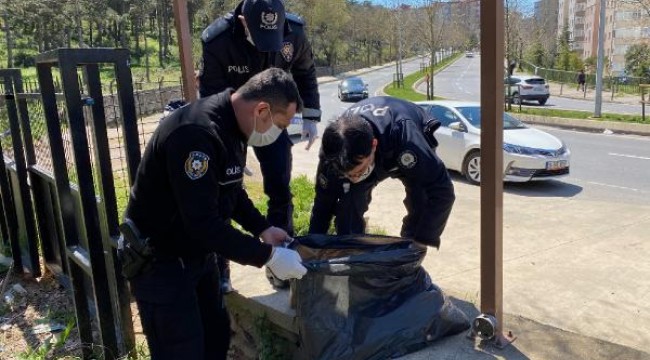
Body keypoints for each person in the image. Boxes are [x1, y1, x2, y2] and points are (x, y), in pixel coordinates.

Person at [121, 68, 308, 360]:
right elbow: (202, 223)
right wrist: (267, 256)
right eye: (281, 125)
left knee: (216, 339)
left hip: (197, 258)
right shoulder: (196, 135)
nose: (279, 133)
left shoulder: (232, 126)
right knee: (181, 351)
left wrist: (263, 229)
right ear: (261, 110)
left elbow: (230, 190)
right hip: (162, 263)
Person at [199, 0, 321, 290]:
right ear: (242, 21)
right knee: (224, 190)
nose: (266, 47)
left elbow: (305, 72)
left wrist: (311, 116)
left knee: (280, 186)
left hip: (272, 120)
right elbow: (211, 100)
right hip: (234, 121)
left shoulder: (295, 33)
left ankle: (281, 261)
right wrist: (227, 149)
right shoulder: (217, 41)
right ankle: (221, 270)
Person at [309, 96, 455, 250]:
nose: (354, 178)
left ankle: (408, 252)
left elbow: (443, 190)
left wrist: (422, 239)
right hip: (366, 150)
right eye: (348, 175)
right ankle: (351, 252)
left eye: (359, 171)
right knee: (348, 206)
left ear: (374, 145)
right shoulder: (332, 154)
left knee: (421, 201)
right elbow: (323, 204)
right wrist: (311, 247)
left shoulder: (405, 136)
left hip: (397, 144)